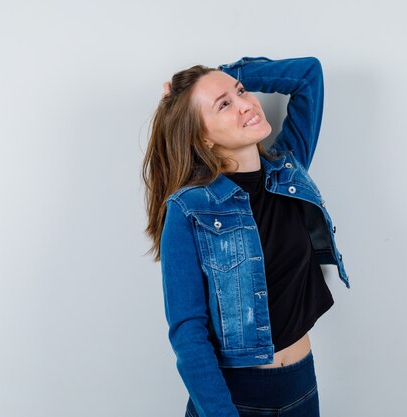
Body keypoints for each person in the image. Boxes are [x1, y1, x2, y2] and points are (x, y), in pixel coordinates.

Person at [142, 56, 350, 417]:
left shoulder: (288, 171)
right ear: (202, 138)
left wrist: (221, 74)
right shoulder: (189, 208)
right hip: (236, 401)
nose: (246, 104)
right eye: (224, 104)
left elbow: (308, 75)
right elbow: (189, 335)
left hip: (302, 390)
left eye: (241, 92)